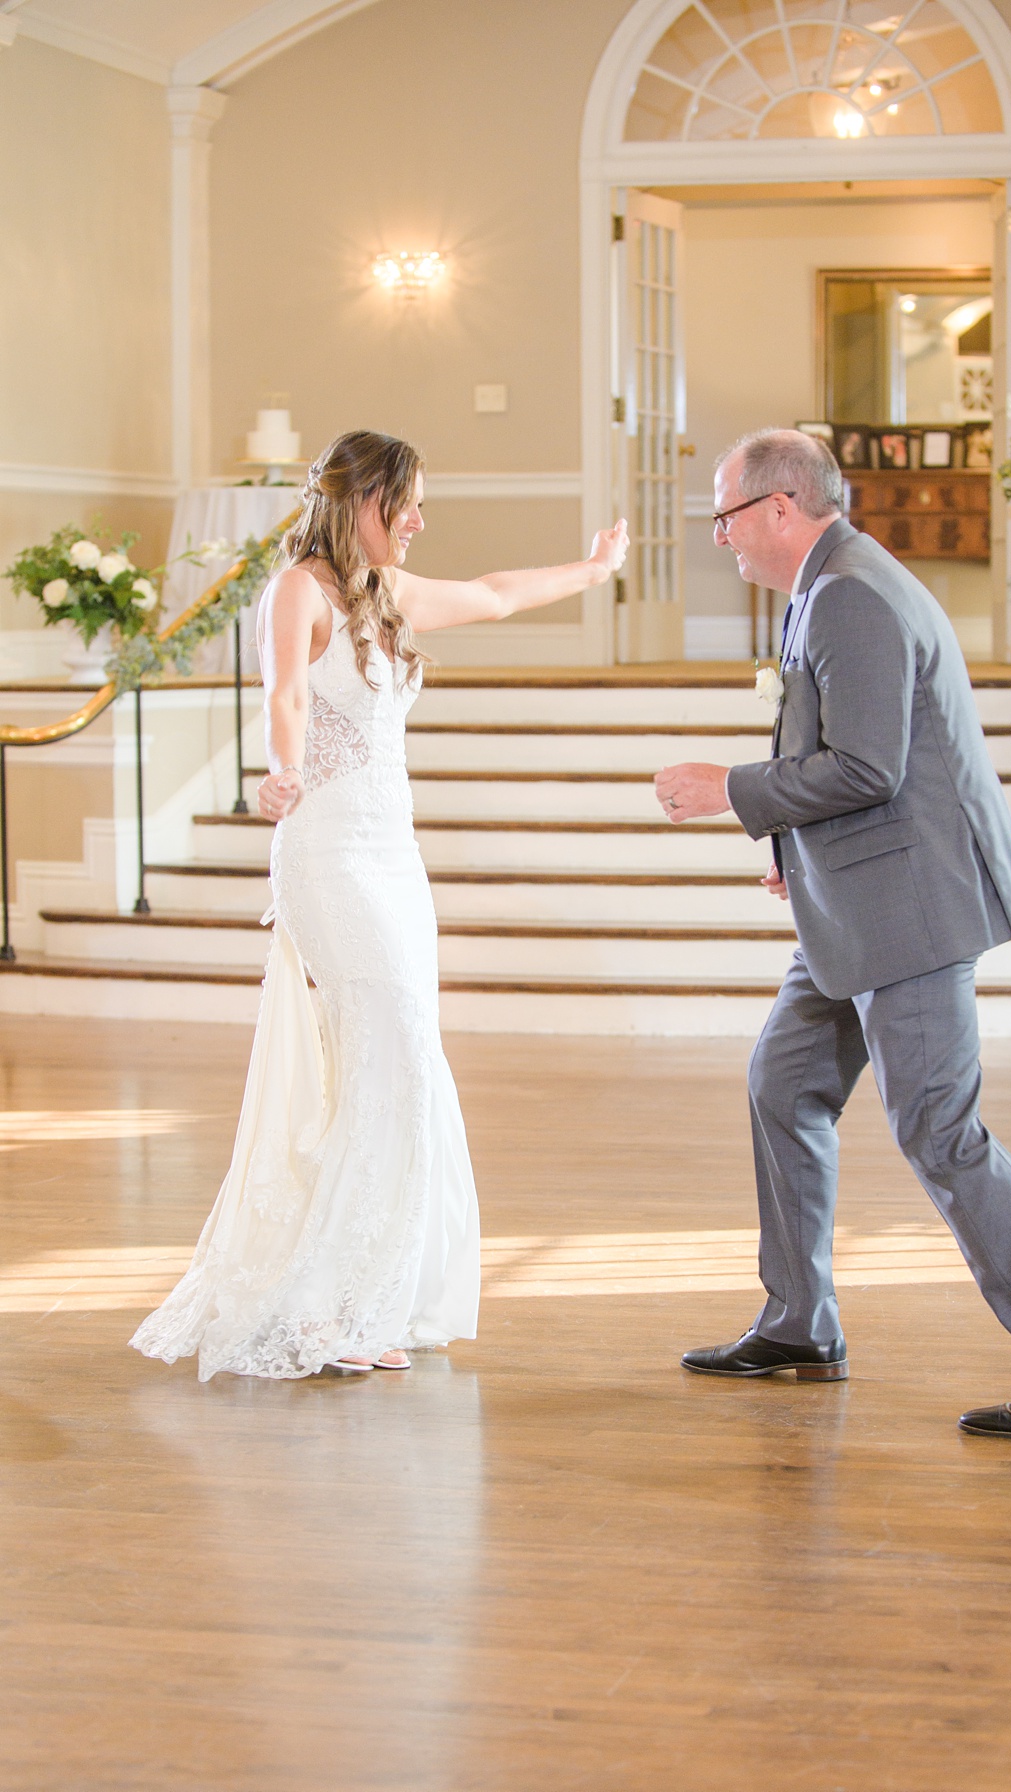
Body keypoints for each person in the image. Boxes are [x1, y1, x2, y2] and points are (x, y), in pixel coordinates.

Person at [654, 428, 1011, 1439]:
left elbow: (869, 767)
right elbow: (839, 752)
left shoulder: (852, 597)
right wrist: (792, 849)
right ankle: (799, 1323)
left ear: (779, 508)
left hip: (908, 911)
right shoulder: (829, 585)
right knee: (783, 1084)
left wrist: (731, 791)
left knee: (940, 1132)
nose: (721, 540)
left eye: (726, 517)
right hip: (855, 902)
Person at [133, 430, 627, 1380]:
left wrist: (593, 568)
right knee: (388, 1047)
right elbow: (283, 694)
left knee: (402, 1061)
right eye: (405, 504)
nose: (418, 521)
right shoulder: (299, 591)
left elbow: (491, 594)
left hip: (394, 857)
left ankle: (373, 1292)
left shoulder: (387, 597)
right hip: (326, 854)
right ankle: (324, 1310)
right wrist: (280, 772)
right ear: (359, 500)